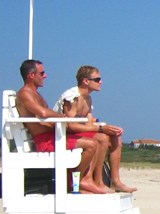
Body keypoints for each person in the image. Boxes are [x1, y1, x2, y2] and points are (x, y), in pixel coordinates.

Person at [15, 59, 108, 194]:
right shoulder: (25, 93)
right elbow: (42, 112)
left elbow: (45, 114)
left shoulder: (35, 93)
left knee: (100, 138)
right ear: (31, 75)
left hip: (53, 135)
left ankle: (92, 181)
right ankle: (77, 182)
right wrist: (63, 118)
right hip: (45, 140)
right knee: (91, 144)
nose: (45, 75)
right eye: (42, 73)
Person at [54, 65, 136, 193]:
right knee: (102, 137)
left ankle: (115, 181)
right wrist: (102, 129)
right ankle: (91, 180)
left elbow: (88, 124)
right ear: (86, 81)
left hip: (75, 133)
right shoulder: (72, 97)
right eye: (97, 79)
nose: (101, 82)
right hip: (62, 135)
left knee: (115, 137)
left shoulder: (88, 98)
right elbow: (71, 125)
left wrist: (107, 129)